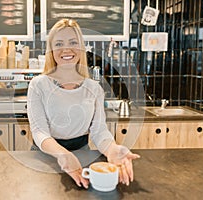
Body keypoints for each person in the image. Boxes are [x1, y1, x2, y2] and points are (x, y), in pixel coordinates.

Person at [27, 19, 140, 189]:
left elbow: (99, 131)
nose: (66, 49)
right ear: (51, 50)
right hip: (46, 157)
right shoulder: (38, 85)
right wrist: (62, 154)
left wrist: (112, 150)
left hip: (82, 154)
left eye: (73, 42)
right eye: (59, 43)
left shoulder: (94, 88)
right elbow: (39, 132)